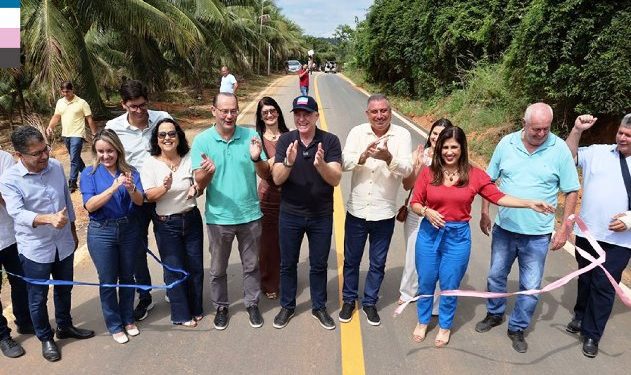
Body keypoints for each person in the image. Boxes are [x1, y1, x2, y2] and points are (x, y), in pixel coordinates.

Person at [409, 126, 554, 348]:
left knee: (449, 284)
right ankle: (423, 320)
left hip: (457, 238)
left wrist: (529, 203)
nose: (449, 152)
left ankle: (445, 326)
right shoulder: (429, 173)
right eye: (445, 147)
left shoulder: (474, 175)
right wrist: (426, 211)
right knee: (426, 281)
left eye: (454, 147)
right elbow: (415, 203)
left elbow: (498, 197)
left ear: (462, 148)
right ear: (438, 148)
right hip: (428, 235)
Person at [475, 102, 580, 353]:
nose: (541, 134)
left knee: (530, 285)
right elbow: (489, 182)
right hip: (505, 228)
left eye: (546, 129)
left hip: (537, 235)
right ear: (524, 123)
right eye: (536, 129)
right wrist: (484, 212)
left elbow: (572, 190)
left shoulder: (560, 150)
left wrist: (564, 229)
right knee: (496, 275)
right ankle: (495, 313)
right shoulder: (506, 144)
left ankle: (518, 327)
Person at [0, 126, 94, 362]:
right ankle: (46, 338)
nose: (44, 156)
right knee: (37, 296)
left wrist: (72, 230)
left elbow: (66, 200)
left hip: (62, 243)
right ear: (20, 156)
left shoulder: (54, 167)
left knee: (64, 287)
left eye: (45, 149)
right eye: (37, 153)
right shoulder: (10, 180)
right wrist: (48, 219)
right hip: (35, 248)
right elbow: (16, 212)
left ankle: (64, 325)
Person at [192, 93, 269, 330]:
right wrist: (207, 173)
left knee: (252, 265)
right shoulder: (202, 141)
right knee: (217, 269)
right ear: (213, 110)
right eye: (224, 110)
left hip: (250, 215)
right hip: (219, 217)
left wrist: (257, 158)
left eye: (233, 110)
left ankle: (252, 304)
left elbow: (266, 174)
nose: (229, 115)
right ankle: (222, 307)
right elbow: (198, 185)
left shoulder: (251, 136)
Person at [339, 94, 412, 326]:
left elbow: (408, 169)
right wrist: (363, 156)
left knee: (377, 262)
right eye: (375, 112)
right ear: (367, 114)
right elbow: (343, 163)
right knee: (351, 260)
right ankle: (349, 300)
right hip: (357, 210)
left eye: (384, 111)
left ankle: (370, 302)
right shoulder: (357, 133)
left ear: (390, 111)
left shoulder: (402, 135)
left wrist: (388, 157)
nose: (380, 116)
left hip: (384, 212)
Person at [271, 95, 342, 330]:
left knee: (319, 264)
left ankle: (319, 307)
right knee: (288, 263)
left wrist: (321, 164)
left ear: (316, 116)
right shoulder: (286, 141)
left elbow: (336, 179)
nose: (302, 118)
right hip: (290, 214)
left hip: (321, 215)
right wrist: (289, 162)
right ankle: (287, 306)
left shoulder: (329, 141)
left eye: (307, 114)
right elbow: (277, 178)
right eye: (298, 114)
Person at [564, 113, 631, 358]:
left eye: (628, 136)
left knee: (604, 285)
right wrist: (576, 131)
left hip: (620, 242)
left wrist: (628, 220)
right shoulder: (597, 152)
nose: (622, 138)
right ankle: (580, 315)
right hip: (588, 233)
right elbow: (567, 157)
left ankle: (592, 334)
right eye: (621, 133)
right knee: (586, 278)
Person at [105, 79, 172, 321]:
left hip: (163, 191)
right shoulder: (113, 127)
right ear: (123, 105)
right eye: (133, 106)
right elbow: (108, 158)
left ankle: (172, 287)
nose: (139, 111)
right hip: (134, 195)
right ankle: (144, 296)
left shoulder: (162, 118)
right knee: (136, 248)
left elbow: (174, 146)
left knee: (168, 242)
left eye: (142, 105)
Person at [80, 129, 144, 344]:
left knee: (127, 277)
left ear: (118, 150)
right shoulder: (88, 174)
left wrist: (132, 188)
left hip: (128, 229)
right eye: (100, 151)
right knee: (107, 280)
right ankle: (114, 324)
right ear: (95, 152)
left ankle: (128, 319)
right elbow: (90, 205)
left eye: (110, 151)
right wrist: (113, 188)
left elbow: (139, 202)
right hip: (101, 231)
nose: (105, 156)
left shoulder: (130, 171)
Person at [141, 119, 204, 327]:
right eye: (162, 135)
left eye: (171, 134)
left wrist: (197, 187)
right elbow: (149, 196)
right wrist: (165, 188)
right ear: (156, 140)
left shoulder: (188, 158)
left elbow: (198, 184)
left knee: (195, 267)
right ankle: (181, 314)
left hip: (191, 218)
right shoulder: (150, 163)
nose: (167, 138)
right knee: (175, 268)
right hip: (167, 224)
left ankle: (196, 308)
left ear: (178, 136)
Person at [398, 119, 453, 309]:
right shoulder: (419, 154)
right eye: (435, 133)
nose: (437, 138)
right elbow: (407, 185)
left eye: (443, 134)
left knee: (437, 257)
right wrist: (419, 166)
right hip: (416, 212)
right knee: (412, 254)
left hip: (439, 216)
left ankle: (432, 298)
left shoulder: (451, 158)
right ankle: (408, 292)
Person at [255, 97, 290, 300]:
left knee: (287, 242)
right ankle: (269, 282)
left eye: (272, 110)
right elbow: (262, 170)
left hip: (290, 196)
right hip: (267, 196)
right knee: (268, 244)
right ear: (261, 117)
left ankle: (286, 278)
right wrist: (278, 159)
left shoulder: (289, 135)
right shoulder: (257, 139)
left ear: (278, 112)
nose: (269, 115)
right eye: (265, 112)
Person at [0, 149, 33, 359]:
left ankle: (24, 320)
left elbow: (8, 196)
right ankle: (3, 335)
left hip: (9, 235)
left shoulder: (3, 158)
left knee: (21, 282)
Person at [45, 81, 98, 193]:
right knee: (76, 158)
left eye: (67, 91)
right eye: (63, 92)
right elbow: (56, 116)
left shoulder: (82, 103)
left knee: (73, 159)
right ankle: (88, 175)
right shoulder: (60, 102)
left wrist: (95, 134)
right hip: (66, 134)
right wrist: (50, 126)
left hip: (78, 134)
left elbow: (89, 119)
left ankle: (72, 183)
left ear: (72, 90)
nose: (65, 94)